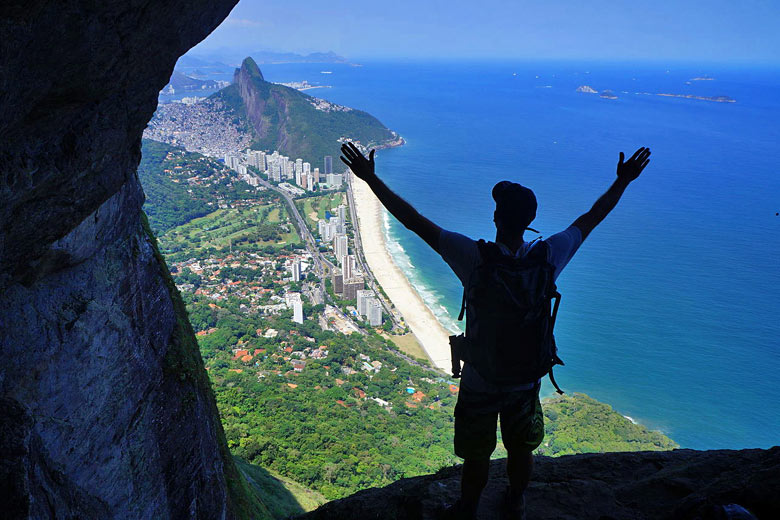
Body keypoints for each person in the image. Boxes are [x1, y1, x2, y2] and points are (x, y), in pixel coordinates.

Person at [340, 142, 651, 519]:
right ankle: (516, 502)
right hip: (525, 379)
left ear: (495, 217)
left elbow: (413, 221)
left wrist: (371, 178)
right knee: (521, 450)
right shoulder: (548, 256)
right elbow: (590, 218)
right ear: (530, 219)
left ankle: (468, 508)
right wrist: (622, 182)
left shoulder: (473, 257)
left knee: (476, 454)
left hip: (480, 378)